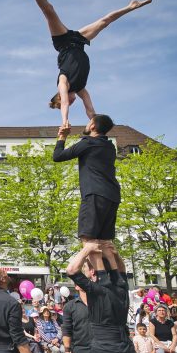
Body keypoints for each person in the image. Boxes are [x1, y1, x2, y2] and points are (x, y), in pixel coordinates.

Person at [19, 0, 152, 128]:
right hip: (79, 41)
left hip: (63, 42)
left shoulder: (63, 82)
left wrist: (64, 122)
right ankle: (132, 7)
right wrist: (95, 124)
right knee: (104, 22)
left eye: (66, 100)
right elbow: (90, 110)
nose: (72, 102)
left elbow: (65, 104)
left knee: (49, 11)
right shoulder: (81, 88)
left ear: (61, 98)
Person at [53, 115, 121, 272]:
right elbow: (100, 121)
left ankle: (102, 282)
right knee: (105, 243)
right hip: (112, 196)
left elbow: (57, 156)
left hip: (94, 195)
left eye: (89, 121)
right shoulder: (110, 147)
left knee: (88, 241)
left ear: (92, 127)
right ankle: (115, 279)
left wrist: (62, 137)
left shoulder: (88, 143)